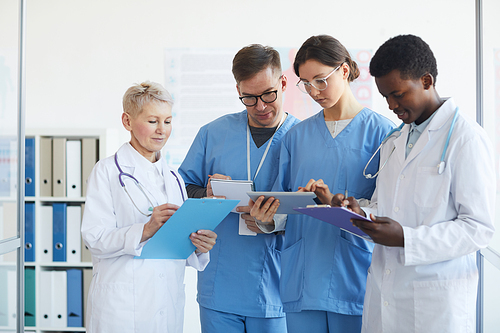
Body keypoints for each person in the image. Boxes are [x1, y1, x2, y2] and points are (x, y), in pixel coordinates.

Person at [336, 34, 495, 332]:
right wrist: (360, 213)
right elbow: (391, 206)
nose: (391, 105)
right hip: (385, 294)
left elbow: (479, 228)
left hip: (435, 304)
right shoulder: (396, 139)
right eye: (385, 97)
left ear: (426, 81)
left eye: (398, 94)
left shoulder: (465, 138)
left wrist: (407, 239)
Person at [250, 35, 394, 333]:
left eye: (321, 80)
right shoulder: (296, 137)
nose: (314, 91)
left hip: (356, 273)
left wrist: (341, 205)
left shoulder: (384, 134)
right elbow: (282, 209)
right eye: (306, 83)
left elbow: (390, 209)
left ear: (344, 71)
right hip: (303, 276)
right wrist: (266, 220)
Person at [178, 44, 300, 333]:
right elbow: (180, 188)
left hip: (275, 288)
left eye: (269, 94)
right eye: (249, 97)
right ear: (238, 91)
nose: (260, 106)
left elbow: (314, 210)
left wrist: (274, 222)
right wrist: (206, 195)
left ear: (283, 83)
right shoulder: (213, 133)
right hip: (220, 286)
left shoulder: (302, 138)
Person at [81, 81, 217, 333]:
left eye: (167, 121)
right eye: (153, 121)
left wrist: (198, 245)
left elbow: (175, 245)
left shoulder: (173, 176)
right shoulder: (107, 171)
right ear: (127, 121)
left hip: (166, 301)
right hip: (121, 304)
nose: (161, 130)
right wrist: (145, 230)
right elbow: (94, 238)